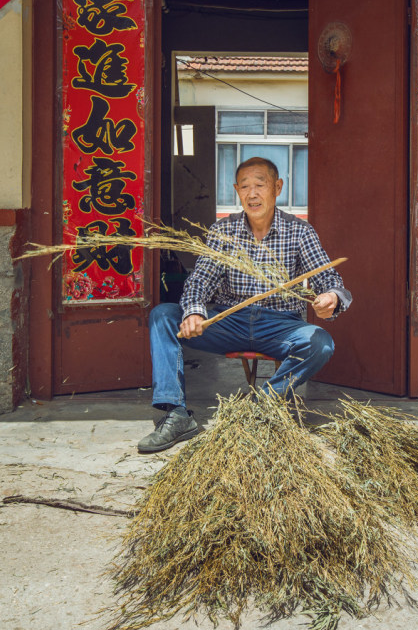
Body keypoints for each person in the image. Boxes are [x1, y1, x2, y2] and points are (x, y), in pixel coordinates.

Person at [137, 156, 352, 453]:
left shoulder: (300, 232)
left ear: (277, 188)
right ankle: (175, 413)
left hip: (280, 325)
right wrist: (194, 311)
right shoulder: (223, 231)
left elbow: (329, 278)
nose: (252, 194)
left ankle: (257, 407)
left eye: (260, 185)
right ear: (237, 190)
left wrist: (331, 297)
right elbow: (200, 280)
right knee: (163, 315)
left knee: (321, 343)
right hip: (229, 321)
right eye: (245, 187)